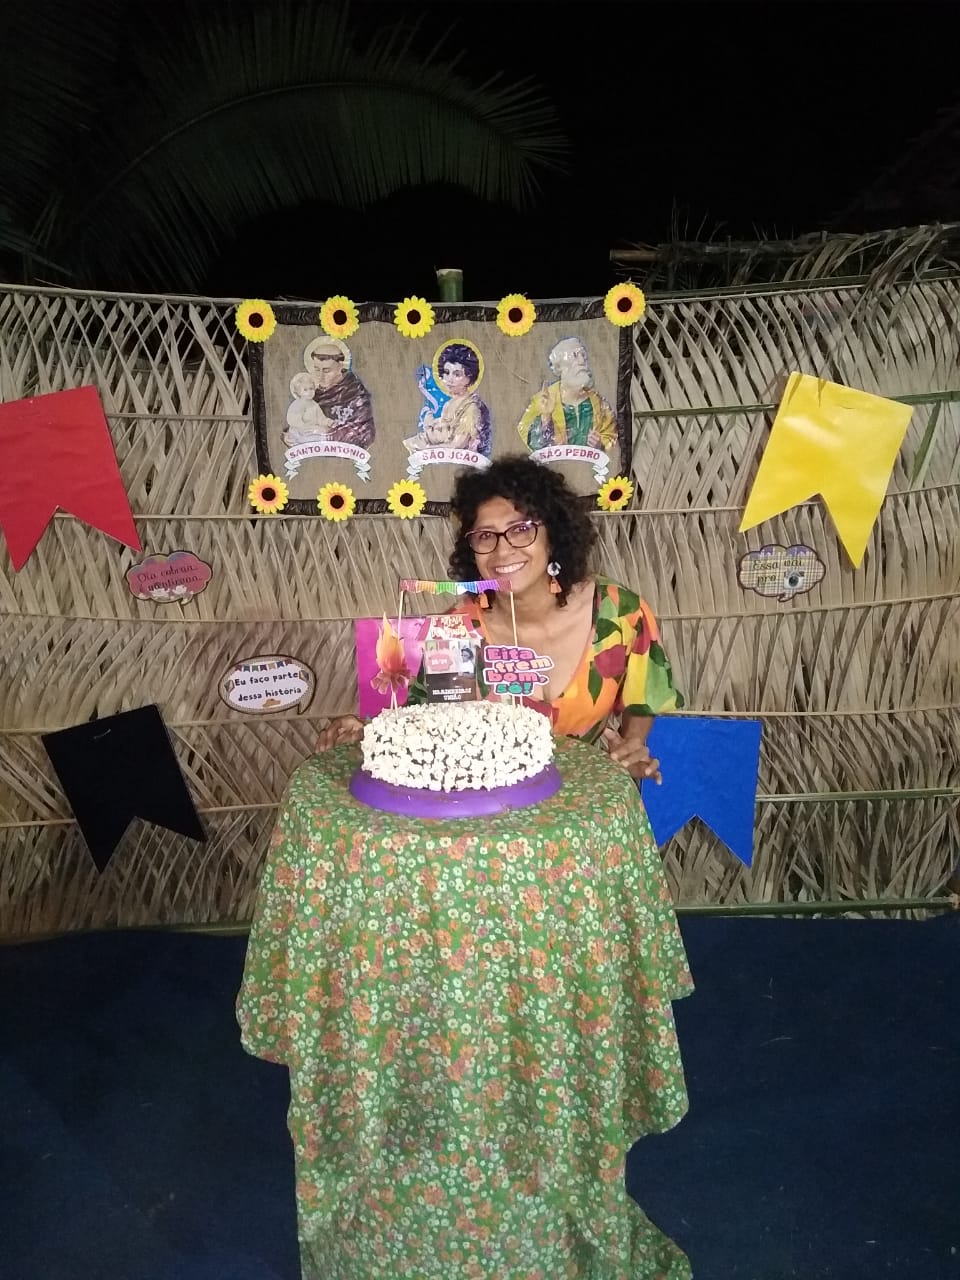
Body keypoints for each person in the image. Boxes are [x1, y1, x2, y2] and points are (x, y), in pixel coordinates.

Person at [322, 455, 683, 773]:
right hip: (488, 817)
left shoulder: (618, 612)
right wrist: (366, 732)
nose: (502, 550)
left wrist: (632, 745)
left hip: (581, 814)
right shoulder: (456, 631)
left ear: (554, 535)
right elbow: (421, 724)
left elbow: (643, 694)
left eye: (521, 530)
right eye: (485, 536)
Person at [517, 336, 617, 452]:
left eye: (583, 355)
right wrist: (546, 418)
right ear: (559, 366)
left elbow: (610, 436)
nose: (582, 361)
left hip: (587, 464)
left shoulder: (598, 403)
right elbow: (530, 440)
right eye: (574, 355)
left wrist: (600, 444)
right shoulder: (543, 399)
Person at [403, 341, 492, 457]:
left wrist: (424, 449)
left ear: (470, 378)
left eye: (457, 374)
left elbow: (457, 445)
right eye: (446, 372)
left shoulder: (472, 408)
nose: (449, 379)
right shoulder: (449, 404)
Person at [304, 336, 375, 447]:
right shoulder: (312, 395)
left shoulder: (355, 394)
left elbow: (364, 431)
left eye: (327, 371)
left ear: (340, 367)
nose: (320, 376)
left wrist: (327, 434)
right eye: (317, 369)